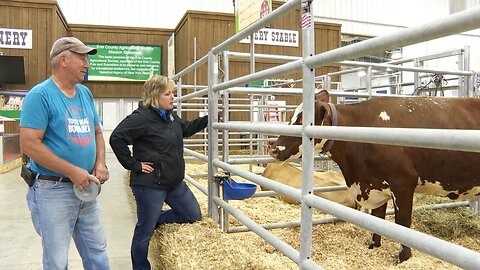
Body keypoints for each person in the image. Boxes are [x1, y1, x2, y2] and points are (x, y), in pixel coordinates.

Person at [19, 37, 110, 269]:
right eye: (82, 58)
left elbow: (97, 132)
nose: (87, 64)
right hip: (53, 190)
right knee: (57, 260)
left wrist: (101, 163)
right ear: (63, 60)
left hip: (86, 187)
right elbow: (30, 144)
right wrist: (73, 171)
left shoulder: (85, 94)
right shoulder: (40, 96)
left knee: (97, 252)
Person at [109, 75, 208, 270]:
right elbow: (116, 138)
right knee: (144, 233)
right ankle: (140, 266)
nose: (173, 97)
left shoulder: (170, 115)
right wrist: (133, 165)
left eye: (173, 93)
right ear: (155, 96)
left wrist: (208, 119)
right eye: (168, 93)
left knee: (192, 214)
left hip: (173, 182)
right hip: (150, 184)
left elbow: (185, 129)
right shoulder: (141, 118)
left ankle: (155, 218)